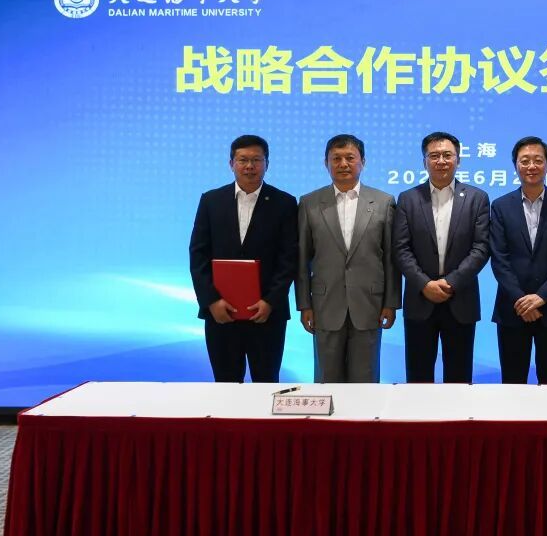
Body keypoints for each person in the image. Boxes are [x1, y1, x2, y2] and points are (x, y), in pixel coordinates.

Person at [189, 135, 298, 383]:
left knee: (266, 383)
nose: (250, 166)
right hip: (221, 313)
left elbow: (289, 258)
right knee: (225, 384)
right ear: (231, 164)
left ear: (267, 164)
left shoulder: (284, 203)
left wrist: (270, 301)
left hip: (267, 314)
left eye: (256, 160)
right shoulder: (211, 201)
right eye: (243, 160)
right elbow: (198, 255)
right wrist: (211, 301)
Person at [296, 134, 400, 383]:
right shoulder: (309, 203)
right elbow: (301, 259)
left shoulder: (384, 202)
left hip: (369, 305)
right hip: (324, 305)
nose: (343, 164)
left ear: (363, 161)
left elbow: (391, 259)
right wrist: (304, 305)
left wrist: (391, 302)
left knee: (365, 379)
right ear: (326, 163)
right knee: (326, 379)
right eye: (336, 159)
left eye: (350, 158)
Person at [393, 132, 490, 383]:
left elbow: (481, 248)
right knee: (418, 378)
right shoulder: (408, 199)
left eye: (447, 155)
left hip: (461, 300)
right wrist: (424, 284)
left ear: (458, 160)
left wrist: (451, 282)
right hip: (420, 300)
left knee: (459, 379)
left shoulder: (477, 198)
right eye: (434, 156)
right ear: (424, 161)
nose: (441, 161)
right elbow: (401, 249)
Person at [489, 136, 547, 384]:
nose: (531, 166)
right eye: (525, 161)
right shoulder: (500, 206)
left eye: (538, 160)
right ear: (515, 165)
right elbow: (499, 258)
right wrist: (521, 299)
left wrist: (541, 297)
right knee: (512, 382)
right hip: (512, 308)